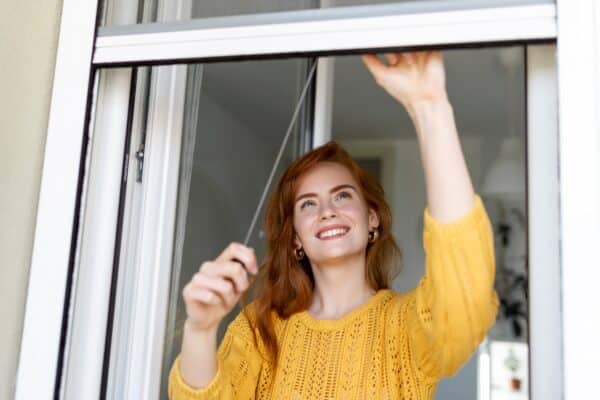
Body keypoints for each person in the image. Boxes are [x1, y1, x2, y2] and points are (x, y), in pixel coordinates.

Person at [168, 51, 499, 399]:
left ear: (371, 218)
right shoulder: (259, 329)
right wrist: (200, 329)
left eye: (342, 196)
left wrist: (431, 108)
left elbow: (466, 297)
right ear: (295, 237)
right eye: (308, 204)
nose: (327, 210)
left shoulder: (405, 326)